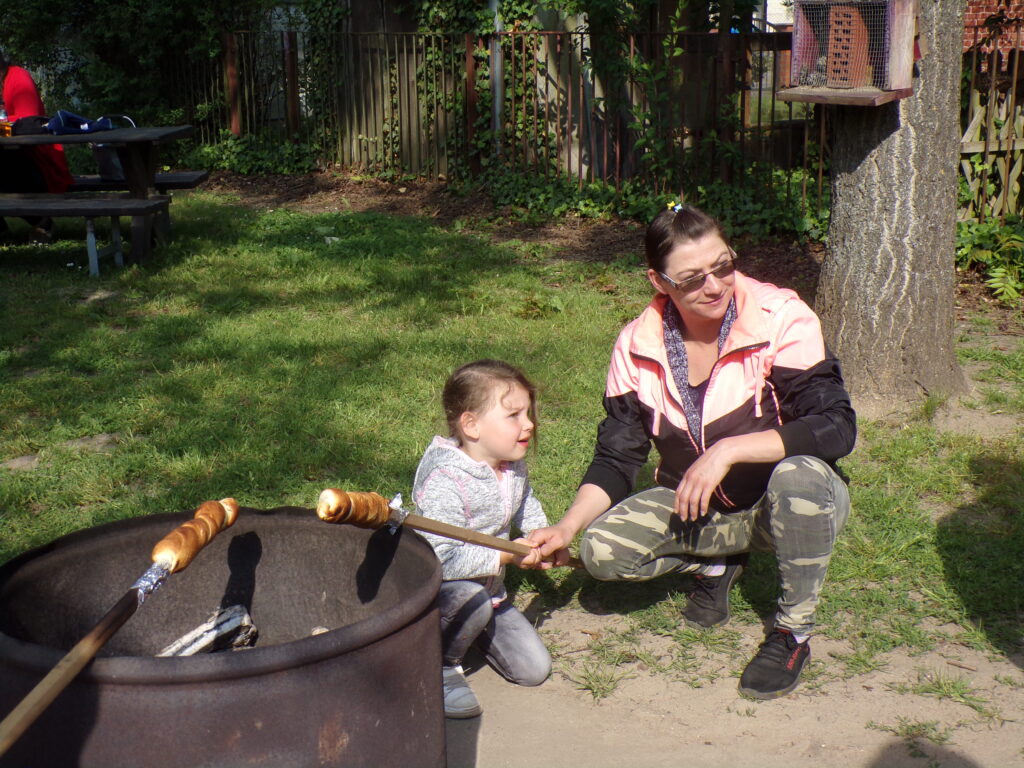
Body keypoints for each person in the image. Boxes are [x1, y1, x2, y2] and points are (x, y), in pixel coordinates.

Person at [527, 203, 856, 700]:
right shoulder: (636, 345)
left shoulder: (780, 317)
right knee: (601, 552)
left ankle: (792, 633)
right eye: (692, 279)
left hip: (787, 504)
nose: (715, 286)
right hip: (699, 507)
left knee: (801, 475)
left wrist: (728, 450)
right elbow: (618, 455)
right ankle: (715, 564)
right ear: (659, 282)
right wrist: (566, 528)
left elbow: (835, 426)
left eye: (723, 266)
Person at [412, 359, 552, 719]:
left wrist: (542, 537)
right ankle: (439, 665)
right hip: (442, 596)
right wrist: (507, 555)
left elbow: (525, 503)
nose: (529, 424)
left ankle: (470, 632)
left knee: (534, 670)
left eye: (528, 413)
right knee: (469, 599)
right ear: (471, 425)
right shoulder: (445, 479)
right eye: (514, 415)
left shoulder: (511, 463)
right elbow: (439, 561)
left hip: (491, 595)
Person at [0, 55, 73, 241]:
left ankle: (42, 221)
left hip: (36, 158)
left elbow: (29, 123)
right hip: (10, 154)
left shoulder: (18, 79)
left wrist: (3, 126)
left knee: (8, 168)